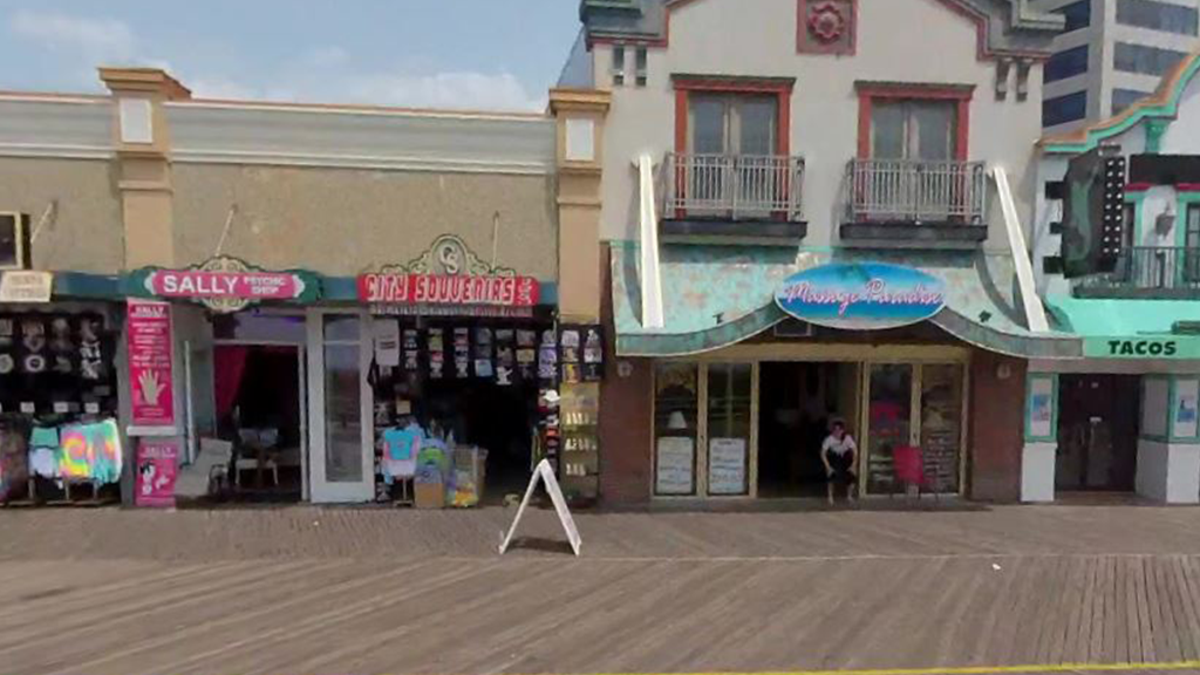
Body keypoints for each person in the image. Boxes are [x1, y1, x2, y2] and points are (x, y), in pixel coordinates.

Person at [821, 419, 858, 505]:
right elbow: (823, 453)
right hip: (835, 457)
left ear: (843, 430)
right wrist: (828, 466)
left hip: (845, 457)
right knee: (831, 476)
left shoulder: (848, 438)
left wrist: (853, 464)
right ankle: (830, 497)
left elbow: (855, 451)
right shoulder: (829, 439)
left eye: (839, 430)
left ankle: (849, 496)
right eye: (835, 430)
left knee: (852, 476)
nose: (837, 432)